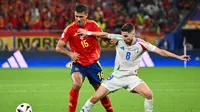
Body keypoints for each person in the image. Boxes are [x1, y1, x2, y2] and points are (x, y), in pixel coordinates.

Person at [77, 23, 191, 112]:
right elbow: (104, 34)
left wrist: (178, 57)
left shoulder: (142, 44)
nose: (124, 38)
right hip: (116, 77)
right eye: (122, 35)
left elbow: (160, 51)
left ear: (133, 34)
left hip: (132, 78)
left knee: (149, 94)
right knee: (95, 98)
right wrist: (88, 33)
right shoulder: (119, 38)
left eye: (126, 36)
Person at [55, 4, 113, 112]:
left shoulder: (93, 25)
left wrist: (109, 41)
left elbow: (104, 38)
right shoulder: (69, 29)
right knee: (77, 84)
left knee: (100, 91)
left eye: (81, 16)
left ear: (86, 15)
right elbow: (58, 47)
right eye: (76, 16)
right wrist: (70, 54)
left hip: (93, 64)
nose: (78, 19)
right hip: (78, 63)